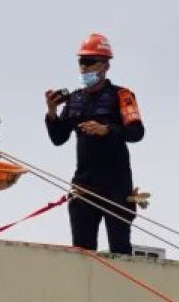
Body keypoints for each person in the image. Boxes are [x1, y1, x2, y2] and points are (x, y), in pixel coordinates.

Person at [44, 32, 144, 255]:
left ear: (105, 66)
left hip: (117, 186)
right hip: (84, 185)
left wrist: (106, 130)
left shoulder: (123, 96)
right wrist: (51, 111)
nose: (84, 68)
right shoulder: (74, 99)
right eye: (82, 62)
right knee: (82, 252)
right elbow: (58, 138)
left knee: (120, 250)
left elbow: (137, 132)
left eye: (90, 62)